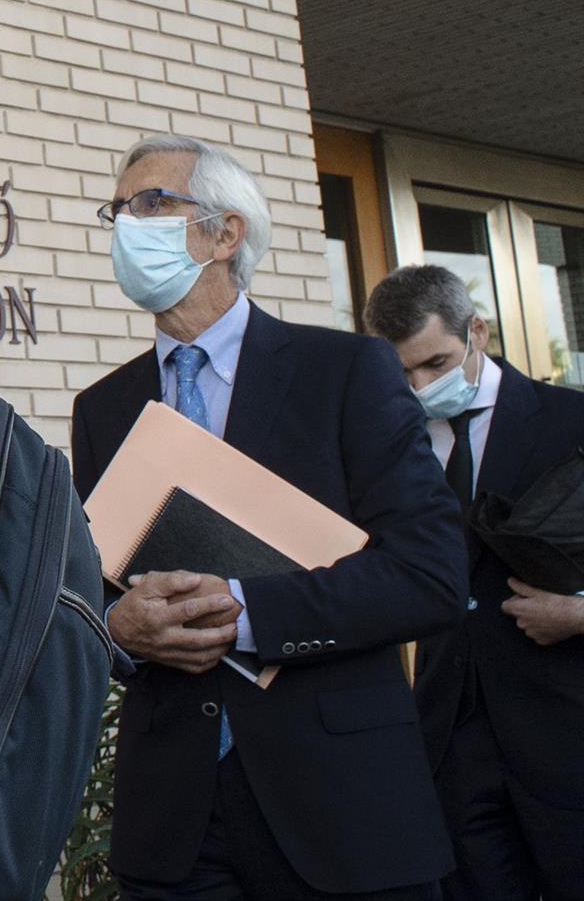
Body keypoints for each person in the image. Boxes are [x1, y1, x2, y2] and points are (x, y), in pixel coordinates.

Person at [69, 134, 466, 900]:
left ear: (226, 233)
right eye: (117, 210)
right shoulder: (104, 409)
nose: (127, 225)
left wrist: (244, 612)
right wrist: (118, 630)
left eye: (152, 203)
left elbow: (429, 576)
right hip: (176, 825)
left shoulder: (346, 372)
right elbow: (99, 585)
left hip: (342, 809)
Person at [365, 264, 584, 901]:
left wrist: (578, 614)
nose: (420, 386)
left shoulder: (571, 421)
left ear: (477, 332)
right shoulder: (386, 442)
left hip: (565, 730)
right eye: (402, 373)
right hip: (448, 737)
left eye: (435, 363)